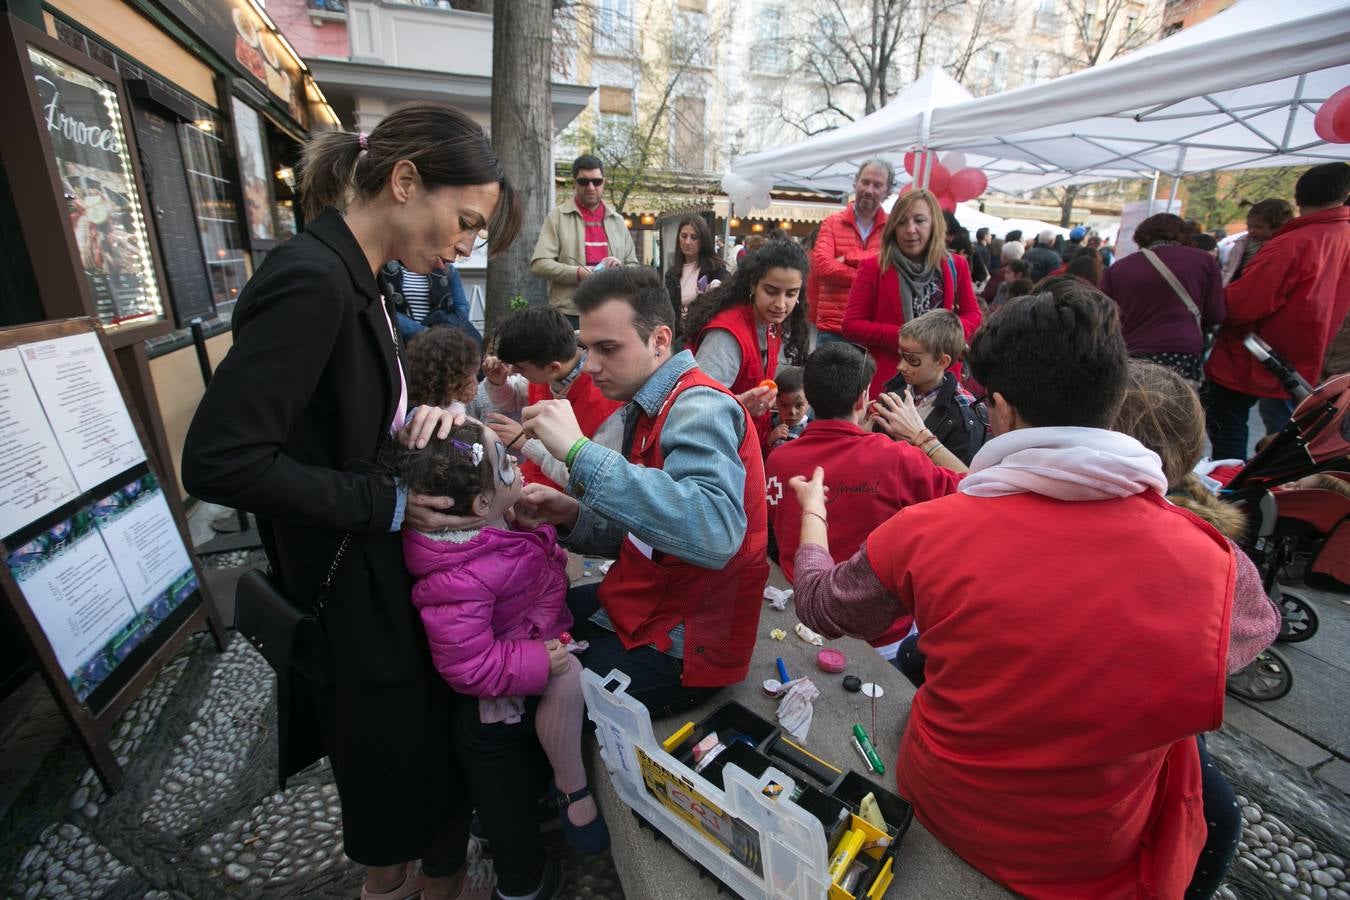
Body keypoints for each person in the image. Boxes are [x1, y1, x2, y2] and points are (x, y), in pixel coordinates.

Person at [789, 278, 1237, 898]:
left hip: (949, 806)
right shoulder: (1210, 557)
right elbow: (1229, 651)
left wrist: (814, 513)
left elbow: (818, 602)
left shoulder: (927, 533)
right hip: (1097, 846)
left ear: (999, 409)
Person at [182, 102, 522, 900]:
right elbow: (221, 459)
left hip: (368, 577)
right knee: (400, 769)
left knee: (398, 772)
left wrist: (419, 421)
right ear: (405, 182)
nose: (466, 245)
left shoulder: (354, 277)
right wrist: (388, 505)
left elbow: (332, 419)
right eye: (466, 221)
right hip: (349, 588)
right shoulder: (313, 279)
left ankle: (407, 880)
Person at [515, 265, 768, 716]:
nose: (590, 366)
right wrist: (573, 516)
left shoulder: (698, 404)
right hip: (643, 599)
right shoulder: (648, 401)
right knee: (517, 623)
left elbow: (714, 533)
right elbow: (649, 533)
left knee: (522, 696)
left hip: (685, 644)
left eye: (607, 348)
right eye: (587, 347)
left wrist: (578, 452)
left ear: (659, 340)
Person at [391, 423, 609, 862]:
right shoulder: (458, 578)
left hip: (532, 630)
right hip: (508, 669)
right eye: (506, 465)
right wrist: (534, 662)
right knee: (569, 678)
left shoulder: (488, 526)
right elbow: (466, 664)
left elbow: (540, 578)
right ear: (482, 502)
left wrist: (535, 532)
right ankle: (571, 787)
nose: (516, 464)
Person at [1111, 360, 1280, 900]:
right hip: (1151, 724)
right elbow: (1255, 628)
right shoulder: (1213, 549)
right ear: (1193, 450)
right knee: (1219, 823)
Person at [765, 342, 960, 660]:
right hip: (879, 635)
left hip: (795, 607)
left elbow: (776, 520)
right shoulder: (897, 458)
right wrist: (924, 438)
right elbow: (974, 489)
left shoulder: (779, 458)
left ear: (810, 398)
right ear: (862, 398)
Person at [1204, 163, 1350, 459]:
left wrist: (1212, 303)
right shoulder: (1338, 236)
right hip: (1308, 358)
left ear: (1298, 197)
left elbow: (1244, 303)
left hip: (1259, 354)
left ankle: (1230, 488)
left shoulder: (1293, 243)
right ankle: (1276, 486)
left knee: (1227, 422)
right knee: (1289, 433)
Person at [841, 188, 982, 399]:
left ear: (934, 223)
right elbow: (851, 325)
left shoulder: (955, 265)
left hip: (942, 382)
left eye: (919, 220)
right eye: (901, 222)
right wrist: (907, 338)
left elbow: (973, 314)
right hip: (891, 381)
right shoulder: (873, 267)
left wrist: (945, 335)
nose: (910, 229)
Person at [478, 306, 622, 490]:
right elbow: (513, 400)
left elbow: (590, 481)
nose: (512, 371)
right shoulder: (551, 367)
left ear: (553, 367)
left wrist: (527, 444)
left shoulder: (606, 401)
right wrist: (498, 383)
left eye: (519, 368)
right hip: (533, 481)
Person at [684, 239, 811, 442]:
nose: (780, 304)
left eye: (791, 294)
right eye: (771, 291)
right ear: (753, 284)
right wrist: (740, 404)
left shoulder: (770, 322)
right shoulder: (726, 336)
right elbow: (697, 407)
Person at [1100, 212, 1225, 384]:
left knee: (1133, 407)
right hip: (1181, 352)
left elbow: (1104, 317)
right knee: (1176, 408)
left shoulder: (1119, 268)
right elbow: (1215, 313)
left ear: (1141, 236)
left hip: (1132, 352)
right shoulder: (1203, 261)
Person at [530, 154, 638, 326]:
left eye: (596, 181)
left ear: (604, 182)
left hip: (611, 311)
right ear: (574, 183)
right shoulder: (557, 217)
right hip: (570, 313)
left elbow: (634, 267)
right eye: (583, 181)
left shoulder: (617, 220)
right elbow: (539, 264)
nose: (590, 187)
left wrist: (620, 270)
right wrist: (578, 273)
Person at [878, 309, 987, 465]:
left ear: (942, 362)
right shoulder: (895, 391)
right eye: (901, 356)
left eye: (912, 360)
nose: (901, 366)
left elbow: (961, 476)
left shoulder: (965, 414)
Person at [811, 160, 893, 344]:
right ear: (856, 182)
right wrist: (870, 275)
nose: (869, 190)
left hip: (873, 329)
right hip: (833, 328)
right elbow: (822, 268)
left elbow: (891, 272)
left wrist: (848, 257)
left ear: (888, 191)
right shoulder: (832, 222)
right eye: (865, 182)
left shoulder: (893, 228)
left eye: (878, 185)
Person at [379, 259, 481, 345]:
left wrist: (443, 336)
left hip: (442, 346)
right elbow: (384, 310)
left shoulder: (447, 269)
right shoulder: (383, 270)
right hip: (401, 343)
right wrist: (427, 334)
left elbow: (461, 310)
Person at [664, 215, 730, 333]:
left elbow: (728, 298)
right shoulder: (671, 274)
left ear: (703, 240)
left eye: (694, 237)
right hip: (679, 338)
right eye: (684, 236)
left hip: (704, 335)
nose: (687, 242)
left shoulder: (715, 269)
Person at [1221, 198, 1294, 285]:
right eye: (1249, 226)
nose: (1251, 231)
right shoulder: (1244, 242)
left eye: (1258, 227)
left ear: (1277, 227)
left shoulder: (1283, 245)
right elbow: (1228, 268)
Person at [765, 365, 808, 451]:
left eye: (799, 405)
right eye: (784, 405)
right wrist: (769, 440)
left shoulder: (809, 429)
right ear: (776, 401)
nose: (792, 412)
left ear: (809, 401)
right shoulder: (768, 422)